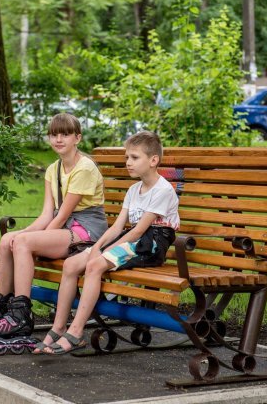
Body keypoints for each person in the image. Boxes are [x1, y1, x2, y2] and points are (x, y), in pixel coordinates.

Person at [37, 131, 180, 355]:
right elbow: (116, 227)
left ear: (153, 161)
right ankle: (58, 328)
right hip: (132, 239)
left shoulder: (163, 190)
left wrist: (103, 252)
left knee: (94, 265)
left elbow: (140, 231)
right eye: (127, 158)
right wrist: (96, 247)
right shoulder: (134, 190)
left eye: (134, 158)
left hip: (151, 244)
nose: (128, 163)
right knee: (71, 265)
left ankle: (75, 332)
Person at [0, 113, 107, 339]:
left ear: (78, 138)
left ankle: (20, 315)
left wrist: (28, 240)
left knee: (23, 243)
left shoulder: (85, 168)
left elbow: (62, 215)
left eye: (65, 134)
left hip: (86, 230)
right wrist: (22, 233)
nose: (59, 139)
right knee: (8, 240)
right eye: (54, 134)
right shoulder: (53, 169)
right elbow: (47, 214)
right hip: (62, 227)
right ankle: (1, 308)